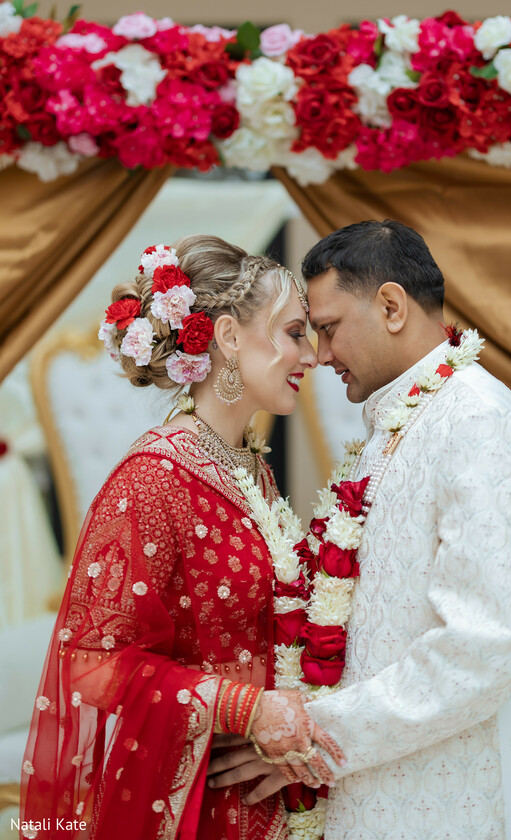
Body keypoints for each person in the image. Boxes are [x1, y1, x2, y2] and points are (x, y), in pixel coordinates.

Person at [20, 235, 344, 840]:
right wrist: (243, 706)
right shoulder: (153, 477)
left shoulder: (251, 469)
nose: (313, 355)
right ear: (226, 338)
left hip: (268, 786)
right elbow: (92, 664)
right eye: (295, 333)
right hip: (195, 800)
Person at [295, 220, 511, 839]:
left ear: (390, 306)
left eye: (328, 329)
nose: (320, 355)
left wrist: (323, 733)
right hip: (387, 783)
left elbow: (488, 639)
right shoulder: (402, 421)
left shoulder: (476, 419)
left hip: (456, 796)